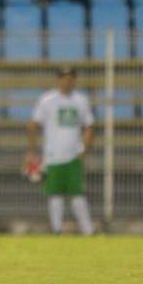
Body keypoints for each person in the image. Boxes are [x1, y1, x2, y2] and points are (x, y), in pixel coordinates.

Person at [25, 67, 96, 235]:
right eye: (63, 78)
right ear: (57, 80)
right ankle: (56, 230)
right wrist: (31, 151)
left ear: (74, 80)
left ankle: (88, 231)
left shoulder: (81, 100)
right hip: (52, 156)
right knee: (55, 195)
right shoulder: (47, 100)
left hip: (74, 156)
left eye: (70, 78)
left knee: (77, 195)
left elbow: (89, 126)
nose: (66, 81)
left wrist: (84, 149)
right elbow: (33, 125)